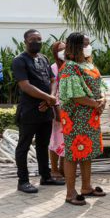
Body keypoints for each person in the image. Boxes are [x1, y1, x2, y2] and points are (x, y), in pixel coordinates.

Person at [12, 29, 65, 193]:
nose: (36, 42)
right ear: (25, 42)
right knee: (24, 146)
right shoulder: (19, 61)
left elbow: (53, 80)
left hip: (45, 110)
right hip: (29, 111)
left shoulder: (44, 58)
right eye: (33, 39)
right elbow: (25, 85)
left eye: (39, 39)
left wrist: (50, 99)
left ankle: (46, 176)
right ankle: (23, 181)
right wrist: (48, 98)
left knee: (43, 145)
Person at [58, 33, 107, 206]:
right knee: (73, 154)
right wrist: (96, 104)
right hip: (75, 117)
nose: (88, 47)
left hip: (90, 117)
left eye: (89, 44)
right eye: (84, 44)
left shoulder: (88, 64)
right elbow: (76, 95)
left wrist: (102, 99)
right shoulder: (69, 67)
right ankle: (70, 193)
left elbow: (101, 85)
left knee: (87, 152)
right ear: (75, 47)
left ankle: (86, 187)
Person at [48, 40, 66, 179]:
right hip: (57, 108)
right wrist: (56, 108)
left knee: (65, 139)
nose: (63, 52)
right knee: (55, 139)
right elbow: (52, 90)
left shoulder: (70, 66)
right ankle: (54, 169)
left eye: (65, 48)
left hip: (69, 107)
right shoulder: (54, 68)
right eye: (60, 50)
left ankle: (63, 168)